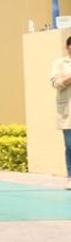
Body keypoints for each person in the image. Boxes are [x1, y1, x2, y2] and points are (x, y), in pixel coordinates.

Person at [50, 36, 71, 190]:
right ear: (67, 47)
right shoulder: (59, 63)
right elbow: (56, 83)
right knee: (70, 145)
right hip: (67, 111)